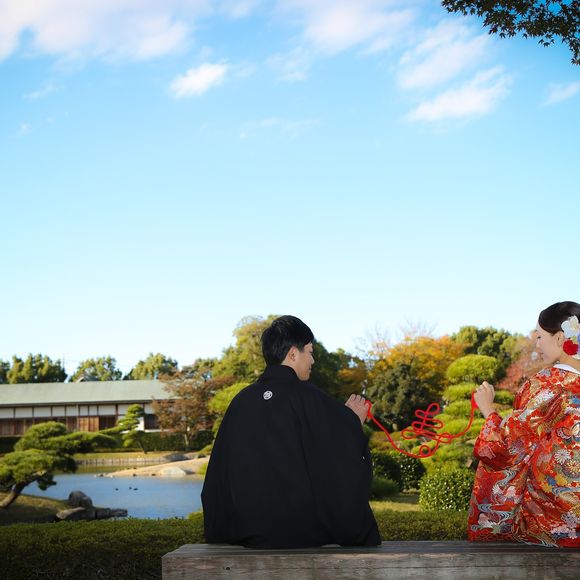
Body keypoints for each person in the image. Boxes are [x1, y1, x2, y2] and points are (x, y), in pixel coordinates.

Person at [201, 315, 381, 548]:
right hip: (299, 532)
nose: (313, 360)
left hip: (245, 531)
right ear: (293, 354)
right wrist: (352, 422)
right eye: (310, 352)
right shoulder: (309, 398)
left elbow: (220, 471)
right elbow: (338, 462)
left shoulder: (241, 401)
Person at [469, 301, 580, 547]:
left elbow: (507, 446)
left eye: (540, 336)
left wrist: (488, 410)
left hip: (559, 520)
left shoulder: (548, 384)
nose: (537, 344)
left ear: (560, 338)